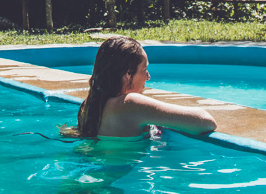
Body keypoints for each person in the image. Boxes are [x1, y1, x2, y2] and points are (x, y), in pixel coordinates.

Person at [60, 35, 217, 139]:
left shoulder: (88, 106)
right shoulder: (130, 104)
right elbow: (205, 121)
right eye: (144, 70)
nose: (148, 76)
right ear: (129, 74)